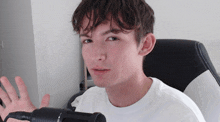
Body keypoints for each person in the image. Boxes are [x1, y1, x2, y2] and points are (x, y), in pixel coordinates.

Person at [0, 0, 205, 122]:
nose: (96, 54)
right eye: (87, 40)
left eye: (112, 38)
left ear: (145, 45)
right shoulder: (89, 101)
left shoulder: (178, 114)